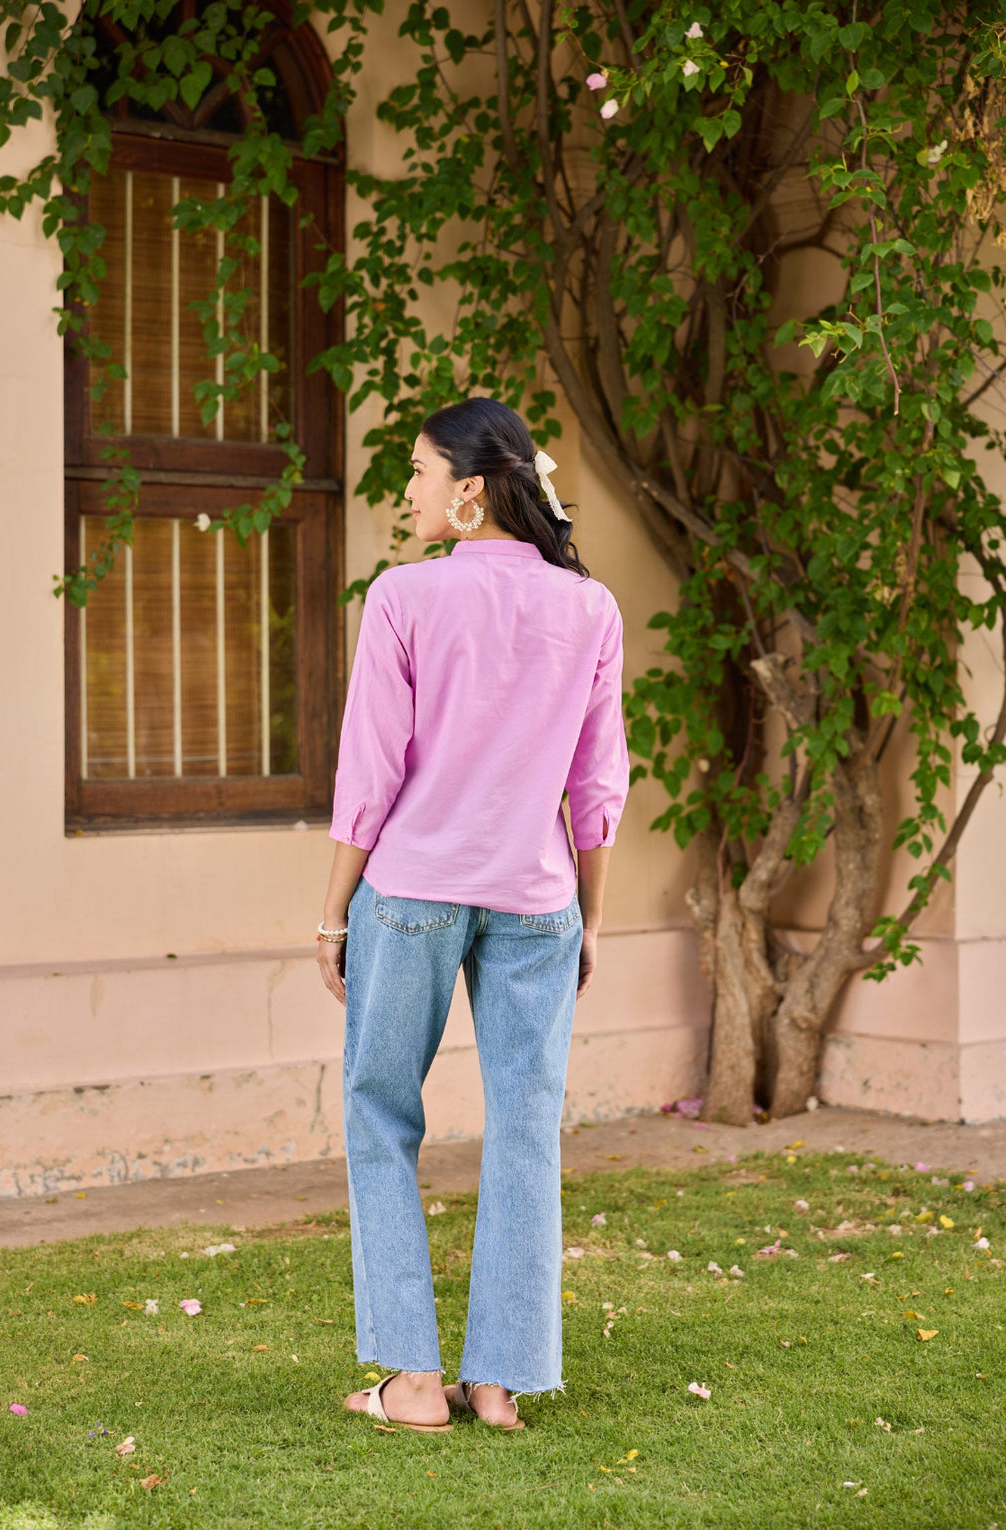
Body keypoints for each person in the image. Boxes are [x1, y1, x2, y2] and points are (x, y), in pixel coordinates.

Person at [315, 396, 630, 1433]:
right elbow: (598, 786)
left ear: (470, 490)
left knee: (380, 1114)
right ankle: (498, 1379)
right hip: (539, 902)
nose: (405, 488)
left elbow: (370, 772)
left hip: (412, 892)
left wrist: (332, 915)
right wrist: (591, 917)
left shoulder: (404, 598)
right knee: (527, 1129)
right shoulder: (590, 607)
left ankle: (413, 1382)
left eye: (416, 470)